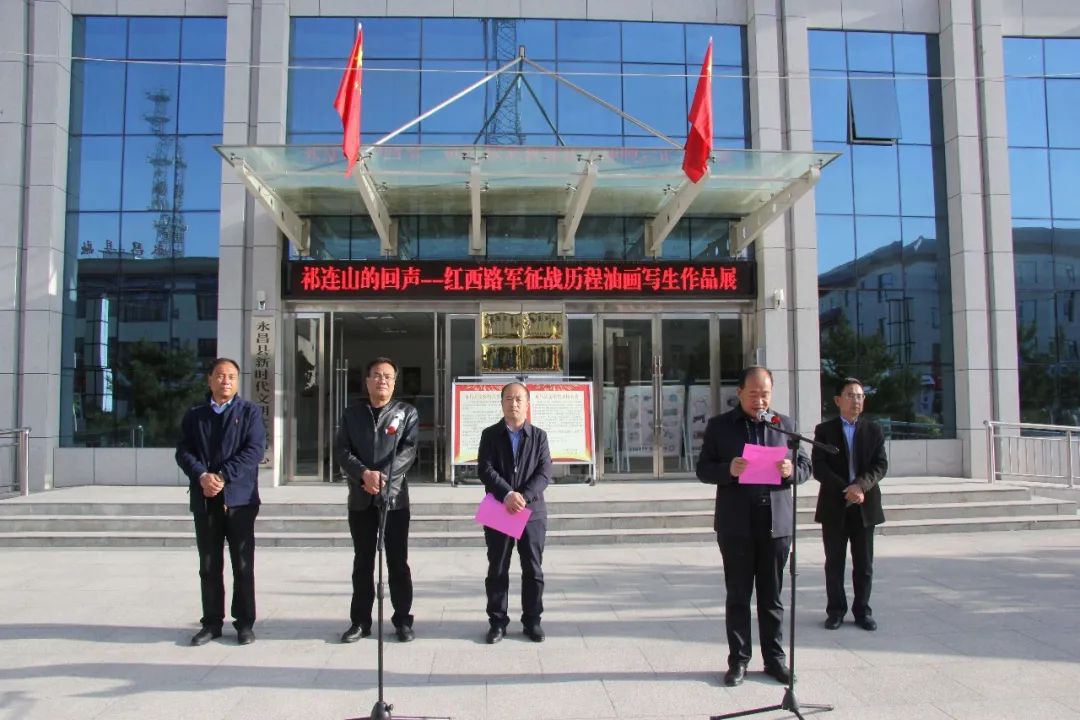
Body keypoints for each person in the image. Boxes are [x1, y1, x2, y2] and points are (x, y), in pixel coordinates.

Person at [696, 366, 811, 687]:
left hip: (775, 523)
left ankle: (775, 660)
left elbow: (806, 467)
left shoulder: (785, 425)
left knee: (772, 597)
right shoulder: (720, 426)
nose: (760, 400)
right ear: (740, 393)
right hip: (736, 524)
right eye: (754, 394)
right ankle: (739, 661)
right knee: (738, 596)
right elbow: (703, 469)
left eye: (765, 394)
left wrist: (791, 470)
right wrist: (728, 470)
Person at [175, 357, 266, 646]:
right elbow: (183, 451)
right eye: (220, 375)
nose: (226, 381)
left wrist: (223, 476)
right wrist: (202, 476)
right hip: (206, 499)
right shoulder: (195, 414)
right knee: (209, 564)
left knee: (243, 565)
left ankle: (244, 623)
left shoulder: (249, 412)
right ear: (210, 380)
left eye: (231, 377)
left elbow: (255, 450)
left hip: (240, 500)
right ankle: (212, 623)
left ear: (237, 382)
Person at [336, 357, 419, 644]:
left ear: (394, 382)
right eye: (377, 375)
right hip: (361, 498)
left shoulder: (406, 413)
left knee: (398, 562)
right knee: (363, 562)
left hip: (393, 498)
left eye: (388, 376)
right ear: (367, 381)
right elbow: (342, 451)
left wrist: (382, 477)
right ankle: (360, 621)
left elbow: (408, 451)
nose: (382, 380)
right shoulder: (352, 414)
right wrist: (364, 474)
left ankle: (402, 620)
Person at [476, 381, 552, 644]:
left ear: (528, 404)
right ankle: (497, 622)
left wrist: (523, 496)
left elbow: (545, 472)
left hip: (532, 511)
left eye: (519, 399)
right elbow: (485, 469)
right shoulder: (490, 435)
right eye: (509, 399)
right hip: (499, 508)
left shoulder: (539, 436)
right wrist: (507, 494)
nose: (514, 403)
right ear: (502, 403)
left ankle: (532, 621)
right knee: (498, 568)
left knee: (533, 569)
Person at [812, 377, 888, 632]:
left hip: (865, 505)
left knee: (864, 565)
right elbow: (819, 467)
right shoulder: (824, 430)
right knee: (834, 563)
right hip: (835, 505)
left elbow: (880, 465)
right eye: (850, 395)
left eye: (860, 396)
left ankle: (862, 611)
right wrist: (846, 489)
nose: (856, 400)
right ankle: (835, 611)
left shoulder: (874, 430)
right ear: (837, 400)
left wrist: (860, 486)